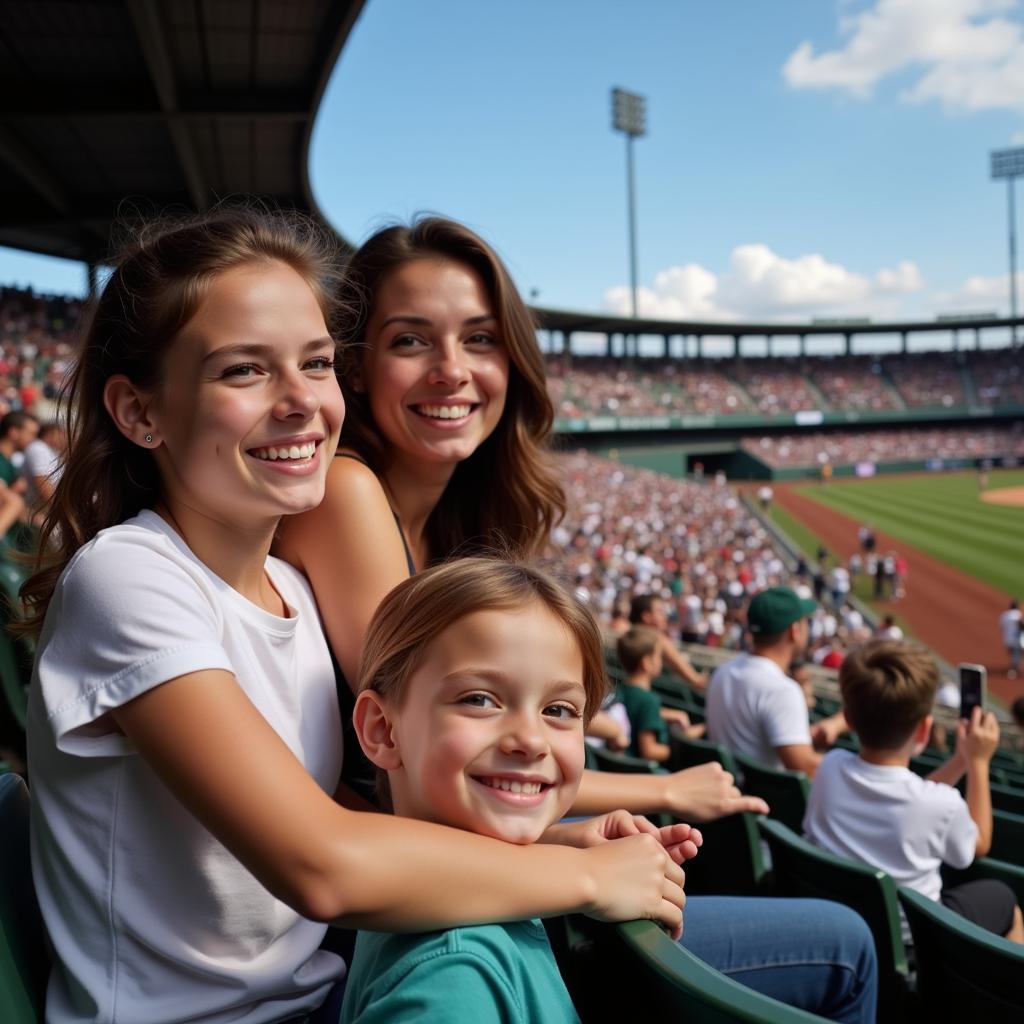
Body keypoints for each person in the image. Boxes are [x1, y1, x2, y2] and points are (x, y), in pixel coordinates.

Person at [23, 209, 686, 1024]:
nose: (302, 401)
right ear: (139, 413)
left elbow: (342, 814)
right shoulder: (127, 576)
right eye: (244, 371)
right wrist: (589, 879)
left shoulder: (291, 594)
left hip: (317, 996)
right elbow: (321, 865)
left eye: (315, 363)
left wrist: (560, 841)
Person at [279, 217, 878, 1022]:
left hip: (454, 878)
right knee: (846, 945)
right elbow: (425, 756)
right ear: (356, 368)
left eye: (480, 339)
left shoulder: (445, 521)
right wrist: (656, 792)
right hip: (415, 917)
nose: (452, 370)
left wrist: (590, 828)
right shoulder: (349, 493)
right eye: (412, 341)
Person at [341, 558, 702, 1022]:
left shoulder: (471, 911)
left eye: (559, 709)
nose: (531, 740)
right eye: (479, 700)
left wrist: (565, 844)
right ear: (383, 731)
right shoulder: (454, 978)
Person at [804, 640, 1023, 942]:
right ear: (923, 730)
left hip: (841, 924)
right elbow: (979, 843)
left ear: (850, 720)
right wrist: (978, 763)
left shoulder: (829, 767)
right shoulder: (940, 805)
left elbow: (915, 794)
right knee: (1004, 901)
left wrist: (961, 760)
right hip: (915, 941)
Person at [706, 587, 848, 775]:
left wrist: (835, 724)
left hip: (734, 789)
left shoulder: (722, 672)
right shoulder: (782, 691)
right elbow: (807, 768)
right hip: (764, 800)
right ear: (794, 630)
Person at [615, 626, 703, 763]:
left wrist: (666, 714)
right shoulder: (649, 700)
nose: (661, 662)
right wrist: (679, 747)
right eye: (658, 657)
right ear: (646, 663)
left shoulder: (622, 688)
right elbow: (649, 751)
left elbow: (634, 711)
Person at [625, 593, 708, 691]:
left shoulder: (628, 635)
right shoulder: (657, 639)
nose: (665, 616)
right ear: (646, 616)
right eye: (660, 611)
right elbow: (696, 680)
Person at [1000, 599, 1021, 679]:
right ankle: (1013, 671)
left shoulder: (1004, 615)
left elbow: (1002, 627)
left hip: (1007, 640)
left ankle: (1015, 668)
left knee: (1014, 655)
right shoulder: (1019, 615)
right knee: (1016, 655)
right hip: (1017, 640)